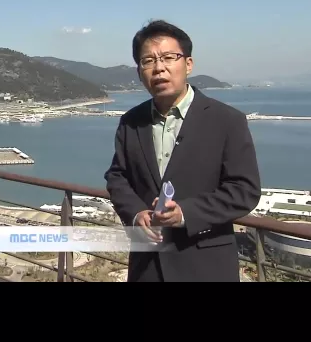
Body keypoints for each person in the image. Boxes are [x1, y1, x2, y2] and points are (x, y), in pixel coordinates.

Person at [104, 20, 261, 282]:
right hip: (147, 267)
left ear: (188, 64)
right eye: (148, 61)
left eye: (168, 57)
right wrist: (136, 212)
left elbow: (245, 190)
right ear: (139, 71)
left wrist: (186, 213)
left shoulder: (227, 121)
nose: (159, 68)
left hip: (206, 267)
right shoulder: (131, 121)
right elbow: (117, 176)